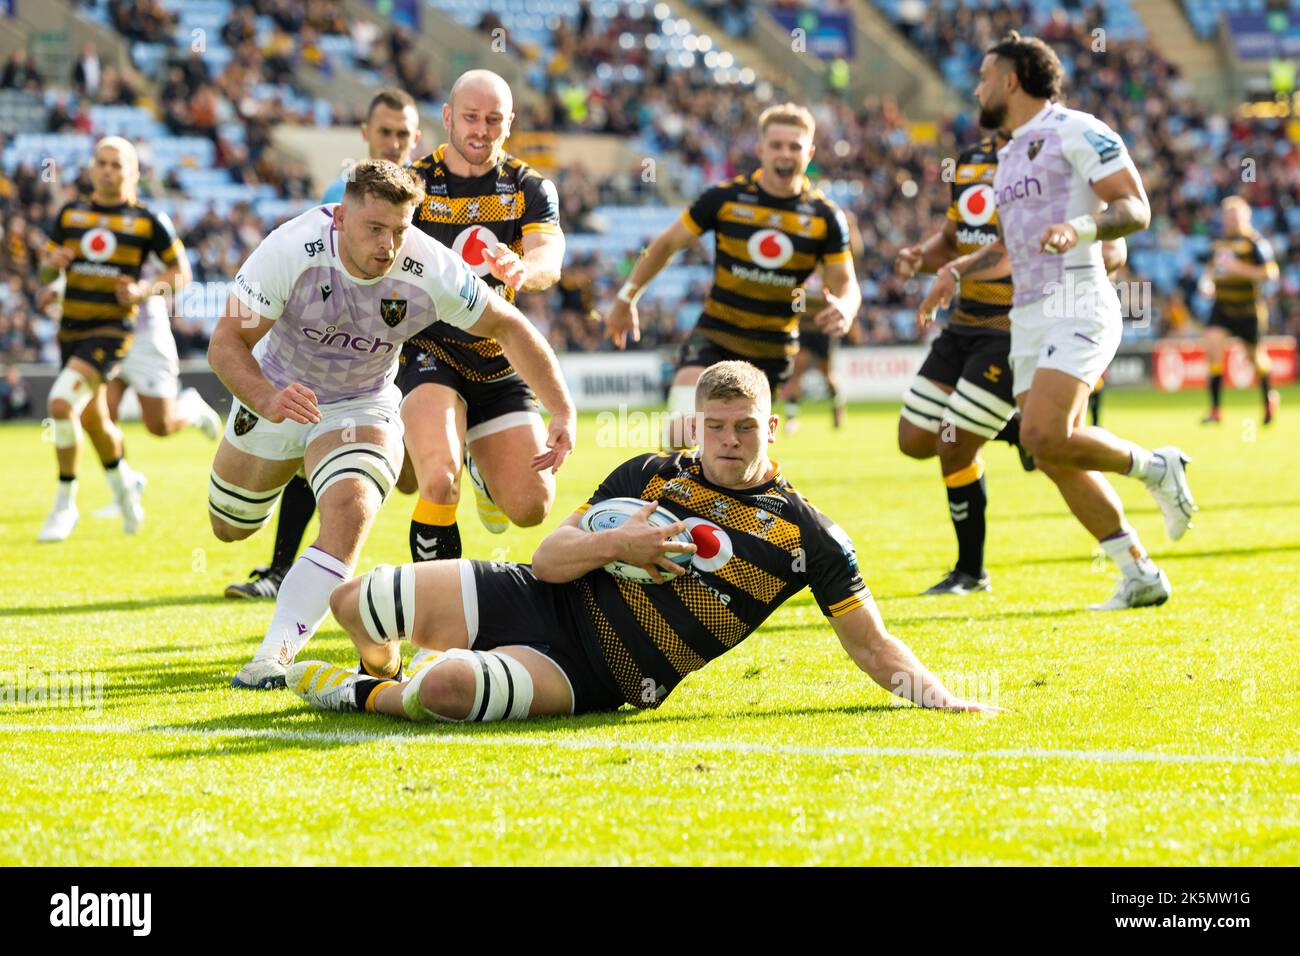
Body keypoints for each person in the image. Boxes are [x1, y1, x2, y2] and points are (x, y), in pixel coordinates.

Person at [286, 361, 999, 721]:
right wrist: (621, 543)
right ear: (695, 424)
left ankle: (361, 693)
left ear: (771, 428)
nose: (729, 441)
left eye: (745, 427)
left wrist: (938, 696)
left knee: (442, 689)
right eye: (715, 426)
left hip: (598, 674)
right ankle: (379, 664)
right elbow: (545, 559)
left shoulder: (805, 534)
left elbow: (871, 643)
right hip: (535, 597)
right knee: (358, 600)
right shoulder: (650, 474)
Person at [207, 159, 575, 690]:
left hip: (362, 402)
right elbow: (226, 341)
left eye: (400, 230)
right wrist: (266, 398)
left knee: (350, 506)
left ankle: (273, 655)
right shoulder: (291, 247)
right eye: (374, 229)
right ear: (340, 217)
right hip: (277, 391)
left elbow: (508, 324)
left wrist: (559, 409)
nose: (387, 244)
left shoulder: (430, 265)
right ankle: (277, 479)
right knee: (229, 526)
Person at [919, 33, 1195, 611]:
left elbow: (1135, 206)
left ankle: (1154, 467)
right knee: (1050, 453)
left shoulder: (1077, 128)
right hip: (1027, 318)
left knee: (1043, 434)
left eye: (984, 76)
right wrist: (956, 270)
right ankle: (1138, 573)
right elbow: (1006, 247)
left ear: (1012, 80)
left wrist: (1083, 229)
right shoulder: (1009, 154)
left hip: (1077, 302)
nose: (977, 88)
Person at [897, 127, 1128, 595]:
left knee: (954, 443)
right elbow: (953, 238)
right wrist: (921, 257)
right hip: (963, 320)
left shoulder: (1057, 152)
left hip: (1014, 326)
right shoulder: (970, 161)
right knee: (916, 438)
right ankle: (1025, 429)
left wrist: (1076, 259)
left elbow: (1114, 246)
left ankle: (969, 572)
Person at [225, 88, 424, 600]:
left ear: (417, 138)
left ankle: (421, 585)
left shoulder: (430, 197)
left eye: (403, 134)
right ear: (365, 134)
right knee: (312, 438)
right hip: (346, 348)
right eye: (385, 132)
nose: (394, 142)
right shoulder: (341, 191)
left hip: (413, 345)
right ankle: (282, 570)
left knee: (419, 478)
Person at [603, 103, 861, 448]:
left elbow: (846, 282)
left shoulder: (825, 217)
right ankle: (667, 499)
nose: (785, 154)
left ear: (809, 152)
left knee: (735, 459)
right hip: (715, 334)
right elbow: (665, 245)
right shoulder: (724, 199)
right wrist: (626, 297)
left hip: (772, 348)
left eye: (794, 146)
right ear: (760, 150)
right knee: (680, 438)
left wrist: (845, 306)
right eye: (777, 145)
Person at [395, 69, 566, 565]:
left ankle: (483, 468)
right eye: (470, 117)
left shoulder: (530, 186)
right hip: (428, 349)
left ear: (509, 123)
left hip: (496, 352)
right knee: (438, 479)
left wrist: (522, 267)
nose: (481, 130)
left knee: (531, 507)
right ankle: (437, 611)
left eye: (494, 120)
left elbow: (549, 259)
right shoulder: (415, 183)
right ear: (448, 117)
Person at [36, 136, 189, 543]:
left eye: (116, 164)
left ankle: (64, 504)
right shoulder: (70, 215)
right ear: (91, 169)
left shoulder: (147, 220)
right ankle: (125, 490)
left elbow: (180, 274)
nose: (107, 170)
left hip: (112, 332)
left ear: (132, 172)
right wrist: (50, 269)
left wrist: (143, 291)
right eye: (101, 163)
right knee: (93, 420)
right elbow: (45, 276)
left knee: (59, 403)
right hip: (72, 329)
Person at [1199, 196, 1280, 425]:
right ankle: (1215, 410)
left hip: (1248, 309)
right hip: (1222, 307)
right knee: (1213, 346)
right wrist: (1206, 283)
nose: (1231, 221)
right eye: (1227, 216)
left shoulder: (1255, 243)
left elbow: (1270, 273)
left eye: (1235, 216)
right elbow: (1211, 271)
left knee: (1256, 358)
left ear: (1246, 217)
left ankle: (1269, 399)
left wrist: (1239, 269)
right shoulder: (1218, 243)